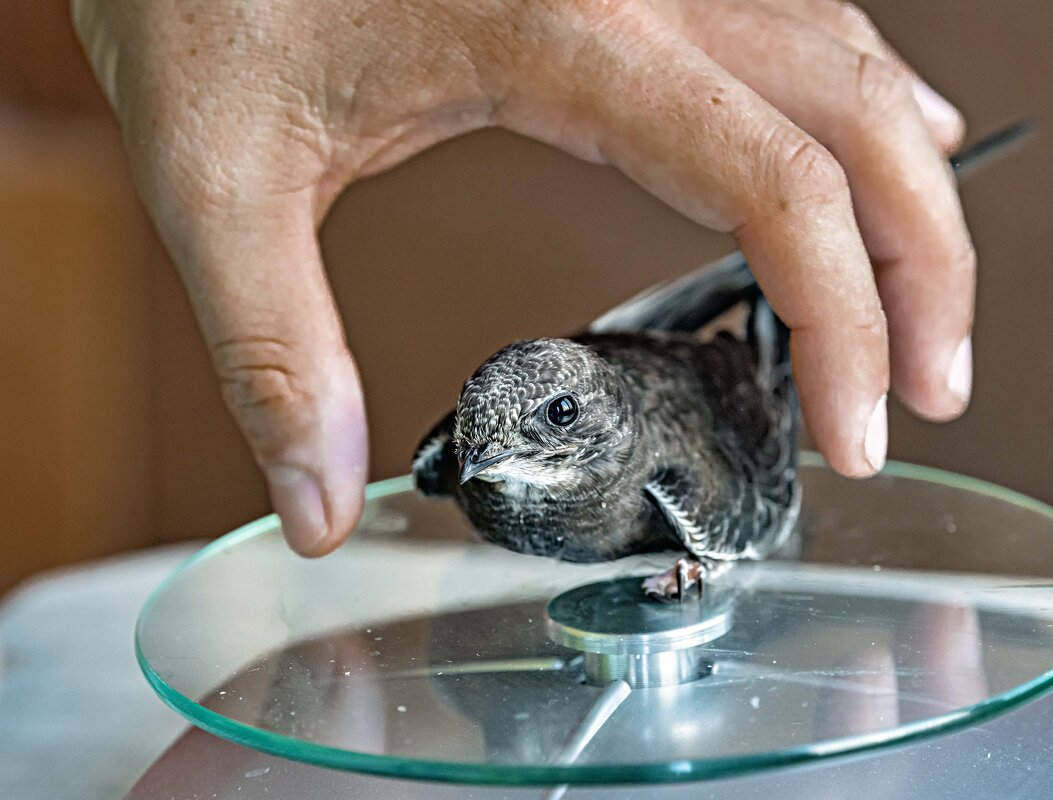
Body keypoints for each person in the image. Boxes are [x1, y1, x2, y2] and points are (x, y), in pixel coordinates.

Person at [72, 0, 974, 557]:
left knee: (745, 525)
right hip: (629, 347)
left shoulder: (681, 479)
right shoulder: (470, 456)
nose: (478, 458)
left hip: (713, 378)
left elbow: (755, 495)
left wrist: (698, 555)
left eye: (539, 427)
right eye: (475, 436)